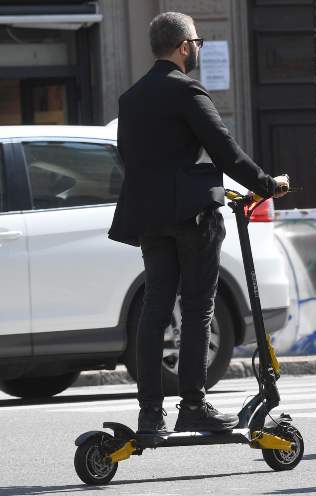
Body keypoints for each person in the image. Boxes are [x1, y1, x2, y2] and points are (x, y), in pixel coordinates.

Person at [109, 12, 290, 434]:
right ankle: (193, 405)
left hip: (149, 218)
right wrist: (267, 184)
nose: (198, 50)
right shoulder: (187, 91)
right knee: (196, 310)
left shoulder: (130, 99)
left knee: (155, 312)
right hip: (192, 218)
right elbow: (224, 151)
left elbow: (129, 158)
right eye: (198, 43)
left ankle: (150, 413)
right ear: (185, 46)